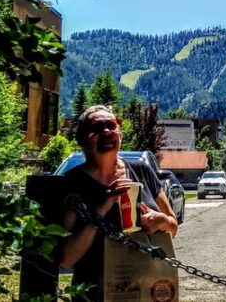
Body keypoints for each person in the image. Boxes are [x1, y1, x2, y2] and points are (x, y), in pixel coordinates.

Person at [59, 105, 178, 300]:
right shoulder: (72, 183)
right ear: (82, 138)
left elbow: (173, 227)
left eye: (111, 125)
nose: (106, 131)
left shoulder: (142, 171)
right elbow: (67, 258)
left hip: (145, 290)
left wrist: (161, 220)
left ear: (119, 134)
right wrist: (102, 207)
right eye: (97, 127)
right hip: (94, 295)